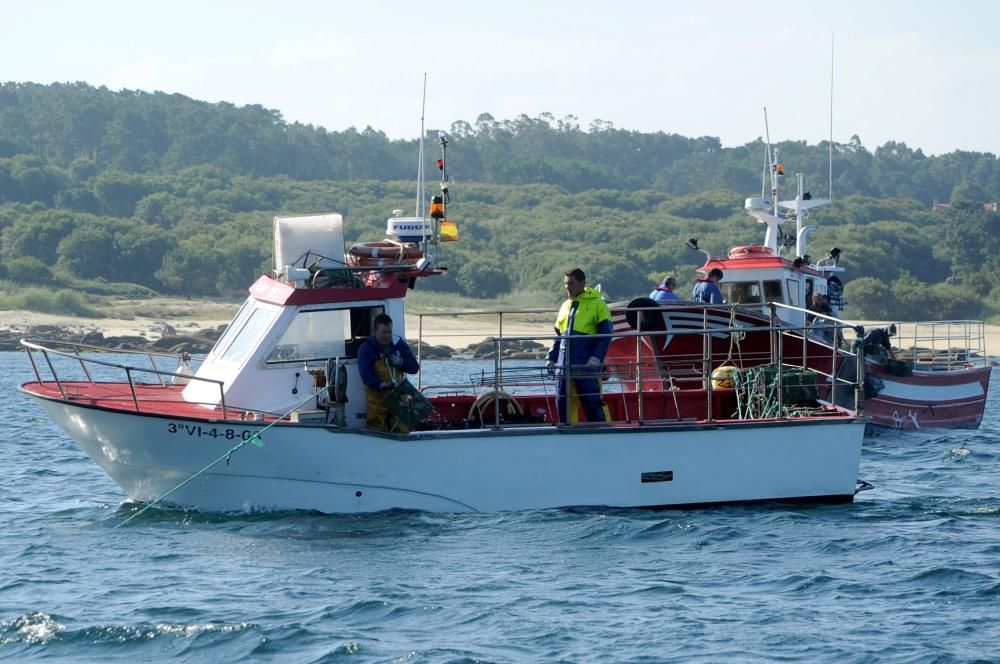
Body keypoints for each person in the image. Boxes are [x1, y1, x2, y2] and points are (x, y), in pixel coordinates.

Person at [546, 268, 612, 424]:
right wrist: (551, 357)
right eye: (565, 284)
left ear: (582, 283)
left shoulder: (598, 304)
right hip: (564, 365)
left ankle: (602, 432)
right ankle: (567, 432)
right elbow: (558, 335)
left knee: (592, 402)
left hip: (586, 363)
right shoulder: (564, 306)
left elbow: (606, 334)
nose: (568, 287)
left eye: (571, 283)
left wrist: (596, 357)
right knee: (562, 402)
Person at [358, 313, 420, 433]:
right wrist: (382, 385)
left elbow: (414, 368)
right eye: (384, 332)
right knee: (376, 432)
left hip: (400, 399)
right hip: (377, 401)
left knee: (402, 430)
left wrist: (401, 361)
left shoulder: (398, 344)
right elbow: (366, 377)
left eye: (389, 332)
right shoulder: (366, 349)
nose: (387, 336)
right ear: (375, 331)